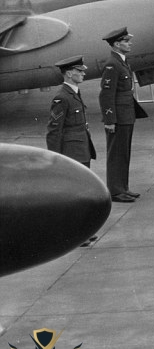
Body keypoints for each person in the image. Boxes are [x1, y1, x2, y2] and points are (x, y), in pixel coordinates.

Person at [47, 55, 100, 246]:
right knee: (76, 194)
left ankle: (83, 231)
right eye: (79, 71)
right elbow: (54, 130)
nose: (83, 73)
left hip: (81, 148)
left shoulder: (74, 93)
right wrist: (55, 157)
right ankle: (77, 234)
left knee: (82, 192)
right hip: (72, 152)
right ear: (69, 73)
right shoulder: (62, 97)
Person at [99, 27, 146, 203]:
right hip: (118, 117)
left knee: (123, 153)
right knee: (116, 154)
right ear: (117, 44)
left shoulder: (122, 61)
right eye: (126, 41)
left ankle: (123, 188)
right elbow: (106, 94)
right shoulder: (113, 64)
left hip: (126, 115)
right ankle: (115, 191)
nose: (129, 43)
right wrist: (110, 120)